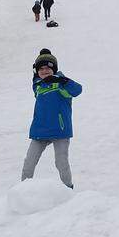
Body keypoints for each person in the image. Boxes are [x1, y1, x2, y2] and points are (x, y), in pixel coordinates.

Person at [22, 48, 83, 189]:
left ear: (54, 70)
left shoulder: (62, 84)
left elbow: (78, 90)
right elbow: (35, 81)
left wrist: (62, 79)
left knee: (61, 163)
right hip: (40, 130)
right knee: (29, 163)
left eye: (48, 68)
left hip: (60, 130)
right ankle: (23, 191)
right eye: (41, 69)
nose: (44, 71)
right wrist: (36, 73)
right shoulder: (37, 86)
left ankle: (68, 189)